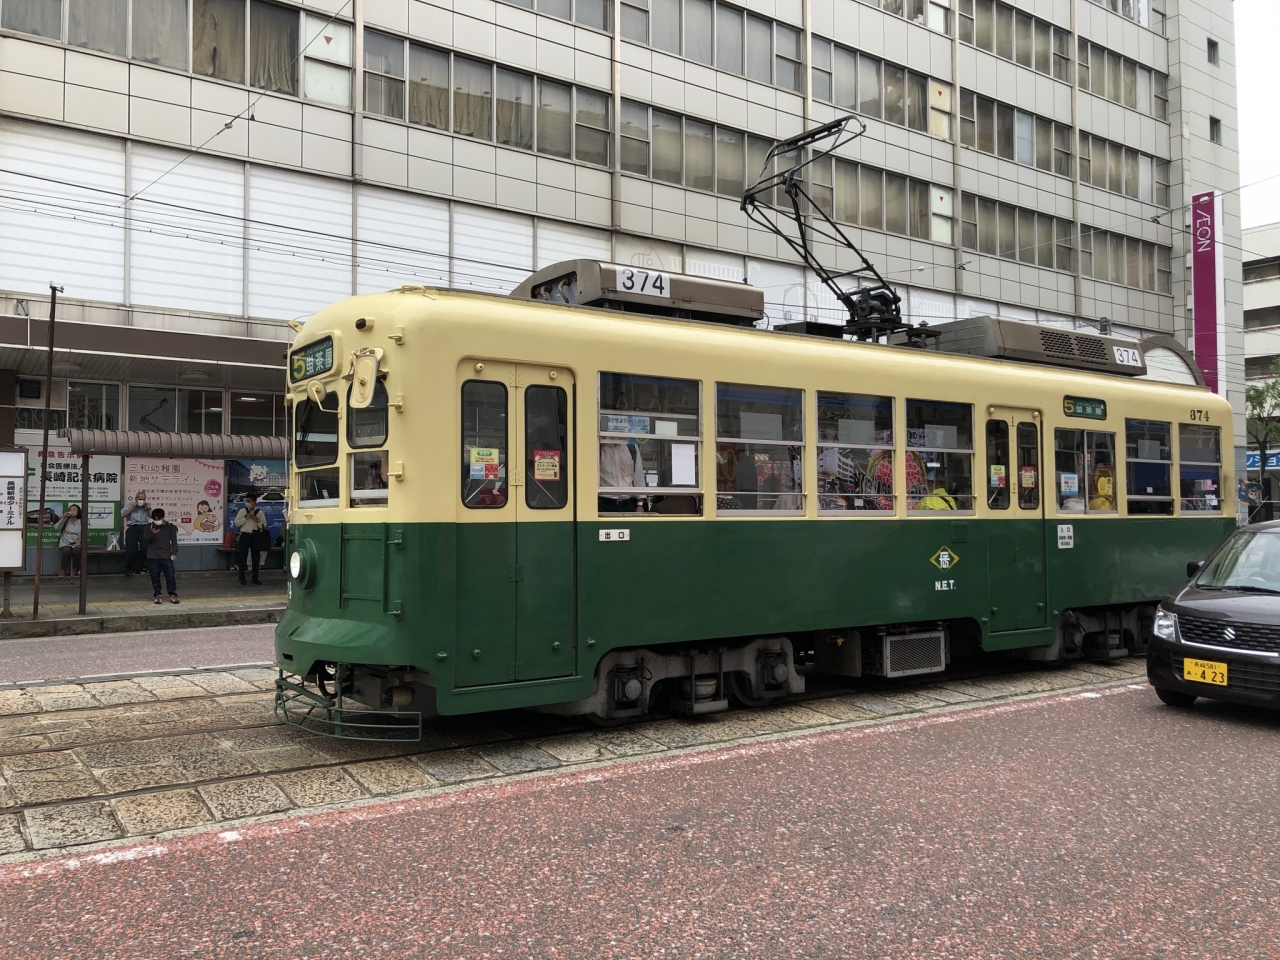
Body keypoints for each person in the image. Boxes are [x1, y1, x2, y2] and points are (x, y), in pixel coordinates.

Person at [143, 507, 179, 604]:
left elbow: (174, 541)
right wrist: (152, 534)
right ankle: (157, 595)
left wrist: (174, 553)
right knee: (155, 576)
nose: (157, 521)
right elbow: (146, 540)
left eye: (159, 519)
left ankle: (173, 594)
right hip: (153, 556)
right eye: (155, 519)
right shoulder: (149, 527)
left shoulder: (170, 526)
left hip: (167, 555)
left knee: (170, 576)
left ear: (163, 517)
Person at [233, 493, 270, 585]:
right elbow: (236, 523)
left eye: (249, 501)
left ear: (254, 502)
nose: (247, 503)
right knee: (242, 557)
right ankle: (241, 577)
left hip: (256, 536)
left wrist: (256, 520)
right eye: (246, 501)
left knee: (255, 558)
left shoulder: (259, 512)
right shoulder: (242, 511)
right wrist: (245, 518)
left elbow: (264, 526)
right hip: (244, 535)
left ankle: (255, 577)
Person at [121, 490, 150, 576]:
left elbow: (152, 516)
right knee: (131, 549)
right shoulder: (130, 505)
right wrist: (132, 507)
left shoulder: (146, 506)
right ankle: (130, 569)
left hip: (144, 527)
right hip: (132, 528)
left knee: (145, 548)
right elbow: (123, 514)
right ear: (136, 498)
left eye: (143, 499)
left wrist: (148, 509)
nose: (142, 501)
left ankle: (146, 567)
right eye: (140, 499)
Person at [55, 504, 82, 577]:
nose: (72, 511)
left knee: (76, 551)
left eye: (74, 509)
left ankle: (75, 569)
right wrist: (63, 518)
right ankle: (62, 570)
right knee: (66, 551)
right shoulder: (66, 520)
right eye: (70, 510)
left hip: (77, 542)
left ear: (78, 511)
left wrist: (80, 541)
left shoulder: (81, 521)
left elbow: (85, 533)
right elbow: (57, 527)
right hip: (65, 542)